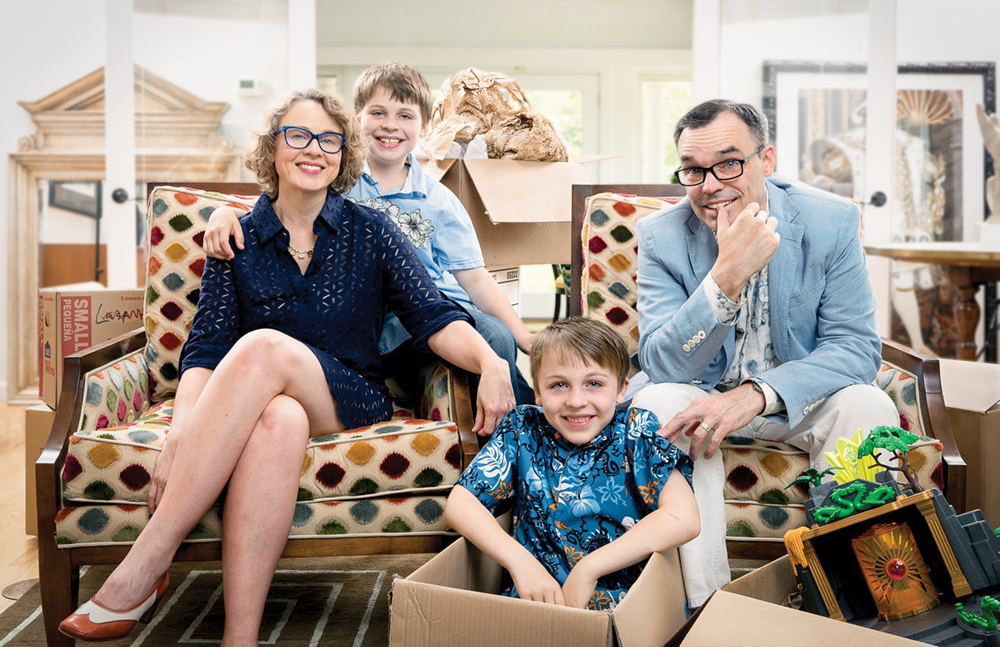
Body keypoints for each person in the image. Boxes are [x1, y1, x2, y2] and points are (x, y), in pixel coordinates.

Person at [59, 89, 515, 645]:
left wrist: (492, 359)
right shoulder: (239, 236)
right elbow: (205, 347)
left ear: (343, 154)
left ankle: (148, 559)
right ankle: (241, 639)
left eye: (328, 139)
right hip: (268, 403)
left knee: (262, 346)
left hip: (349, 395)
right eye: (297, 136)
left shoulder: (372, 231)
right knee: (278, 420)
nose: (313, 150)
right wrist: (181, 430)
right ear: (273, 150)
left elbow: (433, 315)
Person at [627, 99, 899, 609]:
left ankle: (849, 595)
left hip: (794, 399)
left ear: (766, 160)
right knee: (656, 404)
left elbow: (855, 346)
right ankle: (704, 607)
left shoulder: (831, 221)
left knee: (869, 406)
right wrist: (724, 277)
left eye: (729, 163)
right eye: (692, 170)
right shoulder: (661, 235)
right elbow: (661, 363)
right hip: (699, 396)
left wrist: (758, 394)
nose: (709, 185)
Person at [205, 62, 535, 418]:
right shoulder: (337, 178)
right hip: (369, 321)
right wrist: (224, 214)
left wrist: (527, 339)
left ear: (425, 128)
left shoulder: (438, 201)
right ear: (356, 120)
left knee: (495, 338)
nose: (391, 124)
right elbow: (280, 206)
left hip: (426, 313)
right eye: (378, 112)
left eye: (405, 115)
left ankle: (525, 425)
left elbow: (474, 279)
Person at [444, 316, 699, 610]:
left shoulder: (637, 432)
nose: (576, 401)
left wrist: (590, 568)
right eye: (559, 385)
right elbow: (460, 504)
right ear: (537, 392)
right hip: (535, 599)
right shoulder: (522, 429)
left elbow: (685, 517)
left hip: (628, 605)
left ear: (621, 388)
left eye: (593, 383)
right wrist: (520, 562)